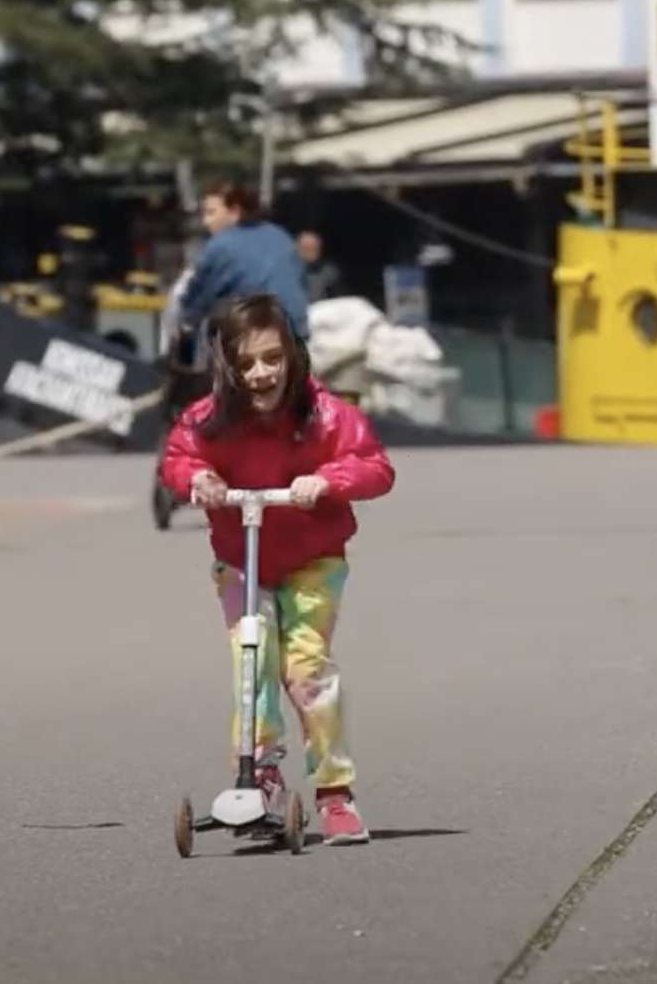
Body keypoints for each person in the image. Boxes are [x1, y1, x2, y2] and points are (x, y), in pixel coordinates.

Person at [157, 293, 396, 845]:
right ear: (227, 368)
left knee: (307, 669)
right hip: (242, 558)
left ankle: (335, 792)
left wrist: (329, 481)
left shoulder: (327, 415)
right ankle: (259, 774)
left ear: (292, 356)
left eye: (272, 358)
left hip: (313, 558)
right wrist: (198, 479)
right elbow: (178, 458)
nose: (261, 374)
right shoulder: (208, 420)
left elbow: (375, 467)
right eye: (245, 364)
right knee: (253, 657)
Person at [179, 184, 310, 354]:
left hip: (251, 342)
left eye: (211, 213)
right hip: (295, 337)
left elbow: (195, 300)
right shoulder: (281, 236)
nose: (205, 222)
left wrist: (186, 324)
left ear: (234, 211)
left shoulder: (220, 246)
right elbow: (302, 283)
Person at [298, 231, 345, 304]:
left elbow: (340, 298)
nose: (312, 251)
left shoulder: (329, 271)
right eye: (307, 247)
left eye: (315, 247)